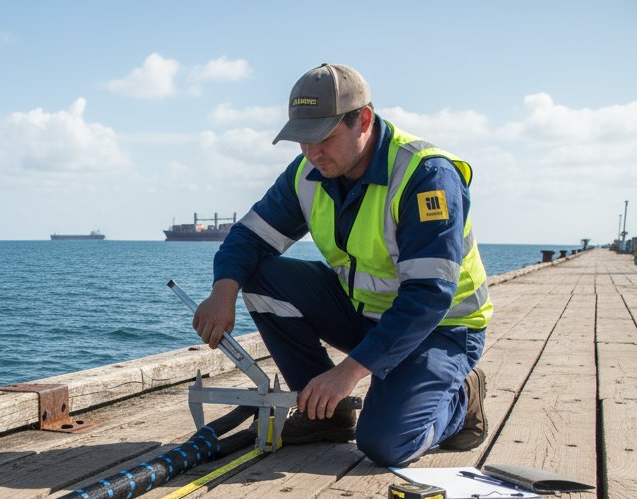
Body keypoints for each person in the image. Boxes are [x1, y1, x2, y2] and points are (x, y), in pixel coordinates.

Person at [193, 63, 491, 467]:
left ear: (363, 120)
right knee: (258, 274)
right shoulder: (308, 172)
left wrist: (346, 373)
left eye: (324, 138)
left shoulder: (426, 176)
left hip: (439, 331)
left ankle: (462, 400)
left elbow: (427, 296)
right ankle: (325, 415)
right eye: (302, 140)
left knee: (387, 444)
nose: (312, 152)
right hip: (366, 315)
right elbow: (248, 237)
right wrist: (222, 291)